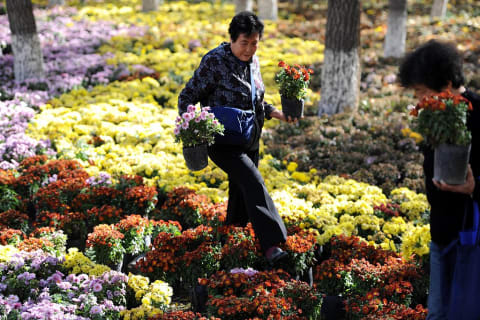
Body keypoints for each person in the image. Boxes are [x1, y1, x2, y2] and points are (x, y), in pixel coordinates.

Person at [178, 11, 296, 265]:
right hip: (222, 141)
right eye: (245, 43)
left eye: (255, 43)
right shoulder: (214, 61)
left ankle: (231, 245)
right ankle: (273, 246)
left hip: (250, 136)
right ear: (232, 39)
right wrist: (192, 129)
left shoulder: (253, 61)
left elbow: (257, 100)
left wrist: (278, 113)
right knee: (253, 183)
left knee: (241, 194)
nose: (250, 48)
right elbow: (186, 97)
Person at [398, 39, 480, 319]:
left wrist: (474, 187)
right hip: (441, 234)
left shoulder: (476, 112)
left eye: (421, 91)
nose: (418, 100)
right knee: (438, 313)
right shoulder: (434, 114)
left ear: (445, 85)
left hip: (472, 237)